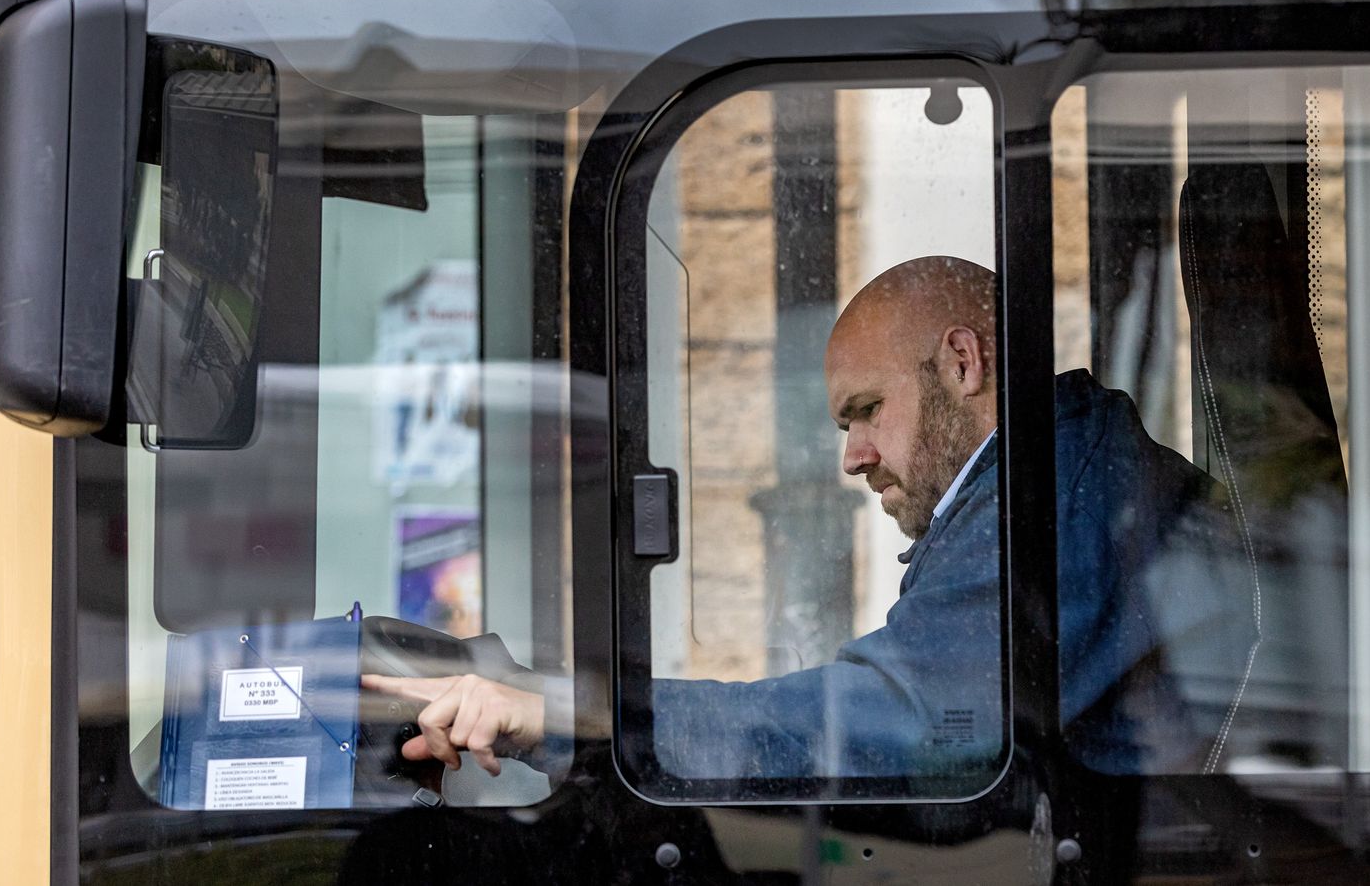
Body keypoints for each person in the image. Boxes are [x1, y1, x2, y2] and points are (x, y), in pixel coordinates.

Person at [364, 256, 1252, 781]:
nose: (853, 455)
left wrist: (568, 712)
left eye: (866, 410)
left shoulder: (1052, 499)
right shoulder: (1060, 470)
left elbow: (888, 721)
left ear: (962, 363)